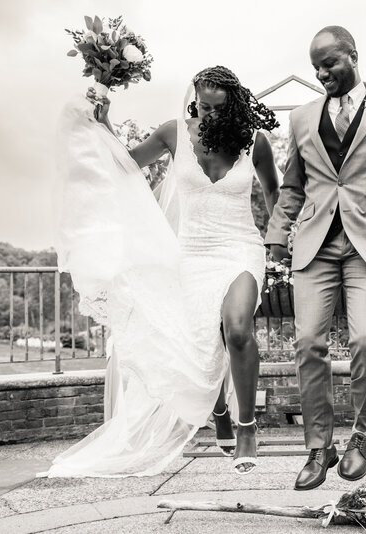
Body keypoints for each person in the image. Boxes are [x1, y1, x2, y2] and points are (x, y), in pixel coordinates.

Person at [47, 66, 279, 477]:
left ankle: (246, 428)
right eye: (202, 107)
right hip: (190, 253)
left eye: (217, 109)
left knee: (237, 328)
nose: (207, 115)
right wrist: (105, 125)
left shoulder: (255, 141)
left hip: (240, 248)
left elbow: (275, 194)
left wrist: (283, 238)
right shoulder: (175, 132)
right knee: (199, 344)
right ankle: (218, 410)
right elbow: (126, 164)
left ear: (234, 106)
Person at [265, 26, 366, 490]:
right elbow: (293, 185)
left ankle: (360, 435)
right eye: (316, 66)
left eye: (329, 63)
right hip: (314, 245)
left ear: (352, 56)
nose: (321, 72)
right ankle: (318, 446)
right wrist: (277, 234)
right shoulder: (301, 117)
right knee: (308, 341)